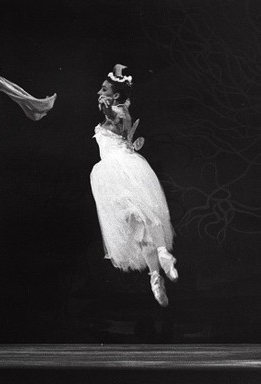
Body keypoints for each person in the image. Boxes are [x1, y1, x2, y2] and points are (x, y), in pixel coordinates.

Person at [90, 64, 178, 307]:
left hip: (124, 170)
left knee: (147, 214)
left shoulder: (118, 112)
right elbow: (125, 135)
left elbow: (120, 119)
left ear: (115, 95)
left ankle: (163, 254)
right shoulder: (116, 111)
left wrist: (113, 108)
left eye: (104, 88)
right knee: (138, 227)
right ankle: (155, 276)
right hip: (111, 173)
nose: (99, 91)